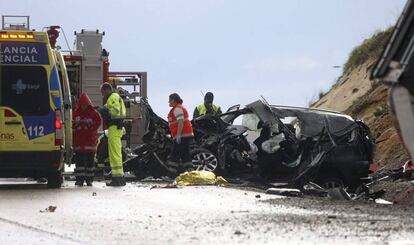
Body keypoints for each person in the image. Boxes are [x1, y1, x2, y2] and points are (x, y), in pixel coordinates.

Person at [100, 83, 127, 187]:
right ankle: (119, 177)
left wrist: (105, 110)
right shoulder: (114, 97)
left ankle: (117, 179)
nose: (102, 95)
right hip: (116, 128)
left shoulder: (113, 97)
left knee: (115, 154)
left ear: (106, 90)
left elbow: (115, 110)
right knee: (115, 153)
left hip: (114, 127)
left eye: (102, 92)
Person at [73, 93, 102, 187]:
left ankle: (89, 180)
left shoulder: (94, 113)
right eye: (82, 104)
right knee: (79, 163)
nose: (84, 106)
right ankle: (79, 180)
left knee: (90, 162)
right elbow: (71, 124)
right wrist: (77, 124)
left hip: (89, 142)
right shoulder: (76, 112)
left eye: (85, 104)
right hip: (79, 142)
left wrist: (90, 125)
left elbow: (98, 122)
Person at [167, 93, 195, 172]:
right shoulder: (178, 108)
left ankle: (171, 174)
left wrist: (178, 135)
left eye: (169, 100)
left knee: (175, 153)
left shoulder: (177, 109)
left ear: (173, 100)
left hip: (182, 135)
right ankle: (190, 172)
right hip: (185, 135)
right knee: (185, 154)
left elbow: (181, 121)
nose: (168, 102)